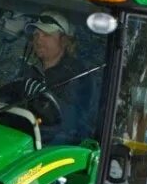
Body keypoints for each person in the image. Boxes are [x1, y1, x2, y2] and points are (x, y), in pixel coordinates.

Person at [22, 9, 96, 142]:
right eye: (36, 34)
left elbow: (71, 121)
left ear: (64, 40)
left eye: (46, 34)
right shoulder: (29, 70)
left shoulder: (77, 76)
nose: (38, 39)